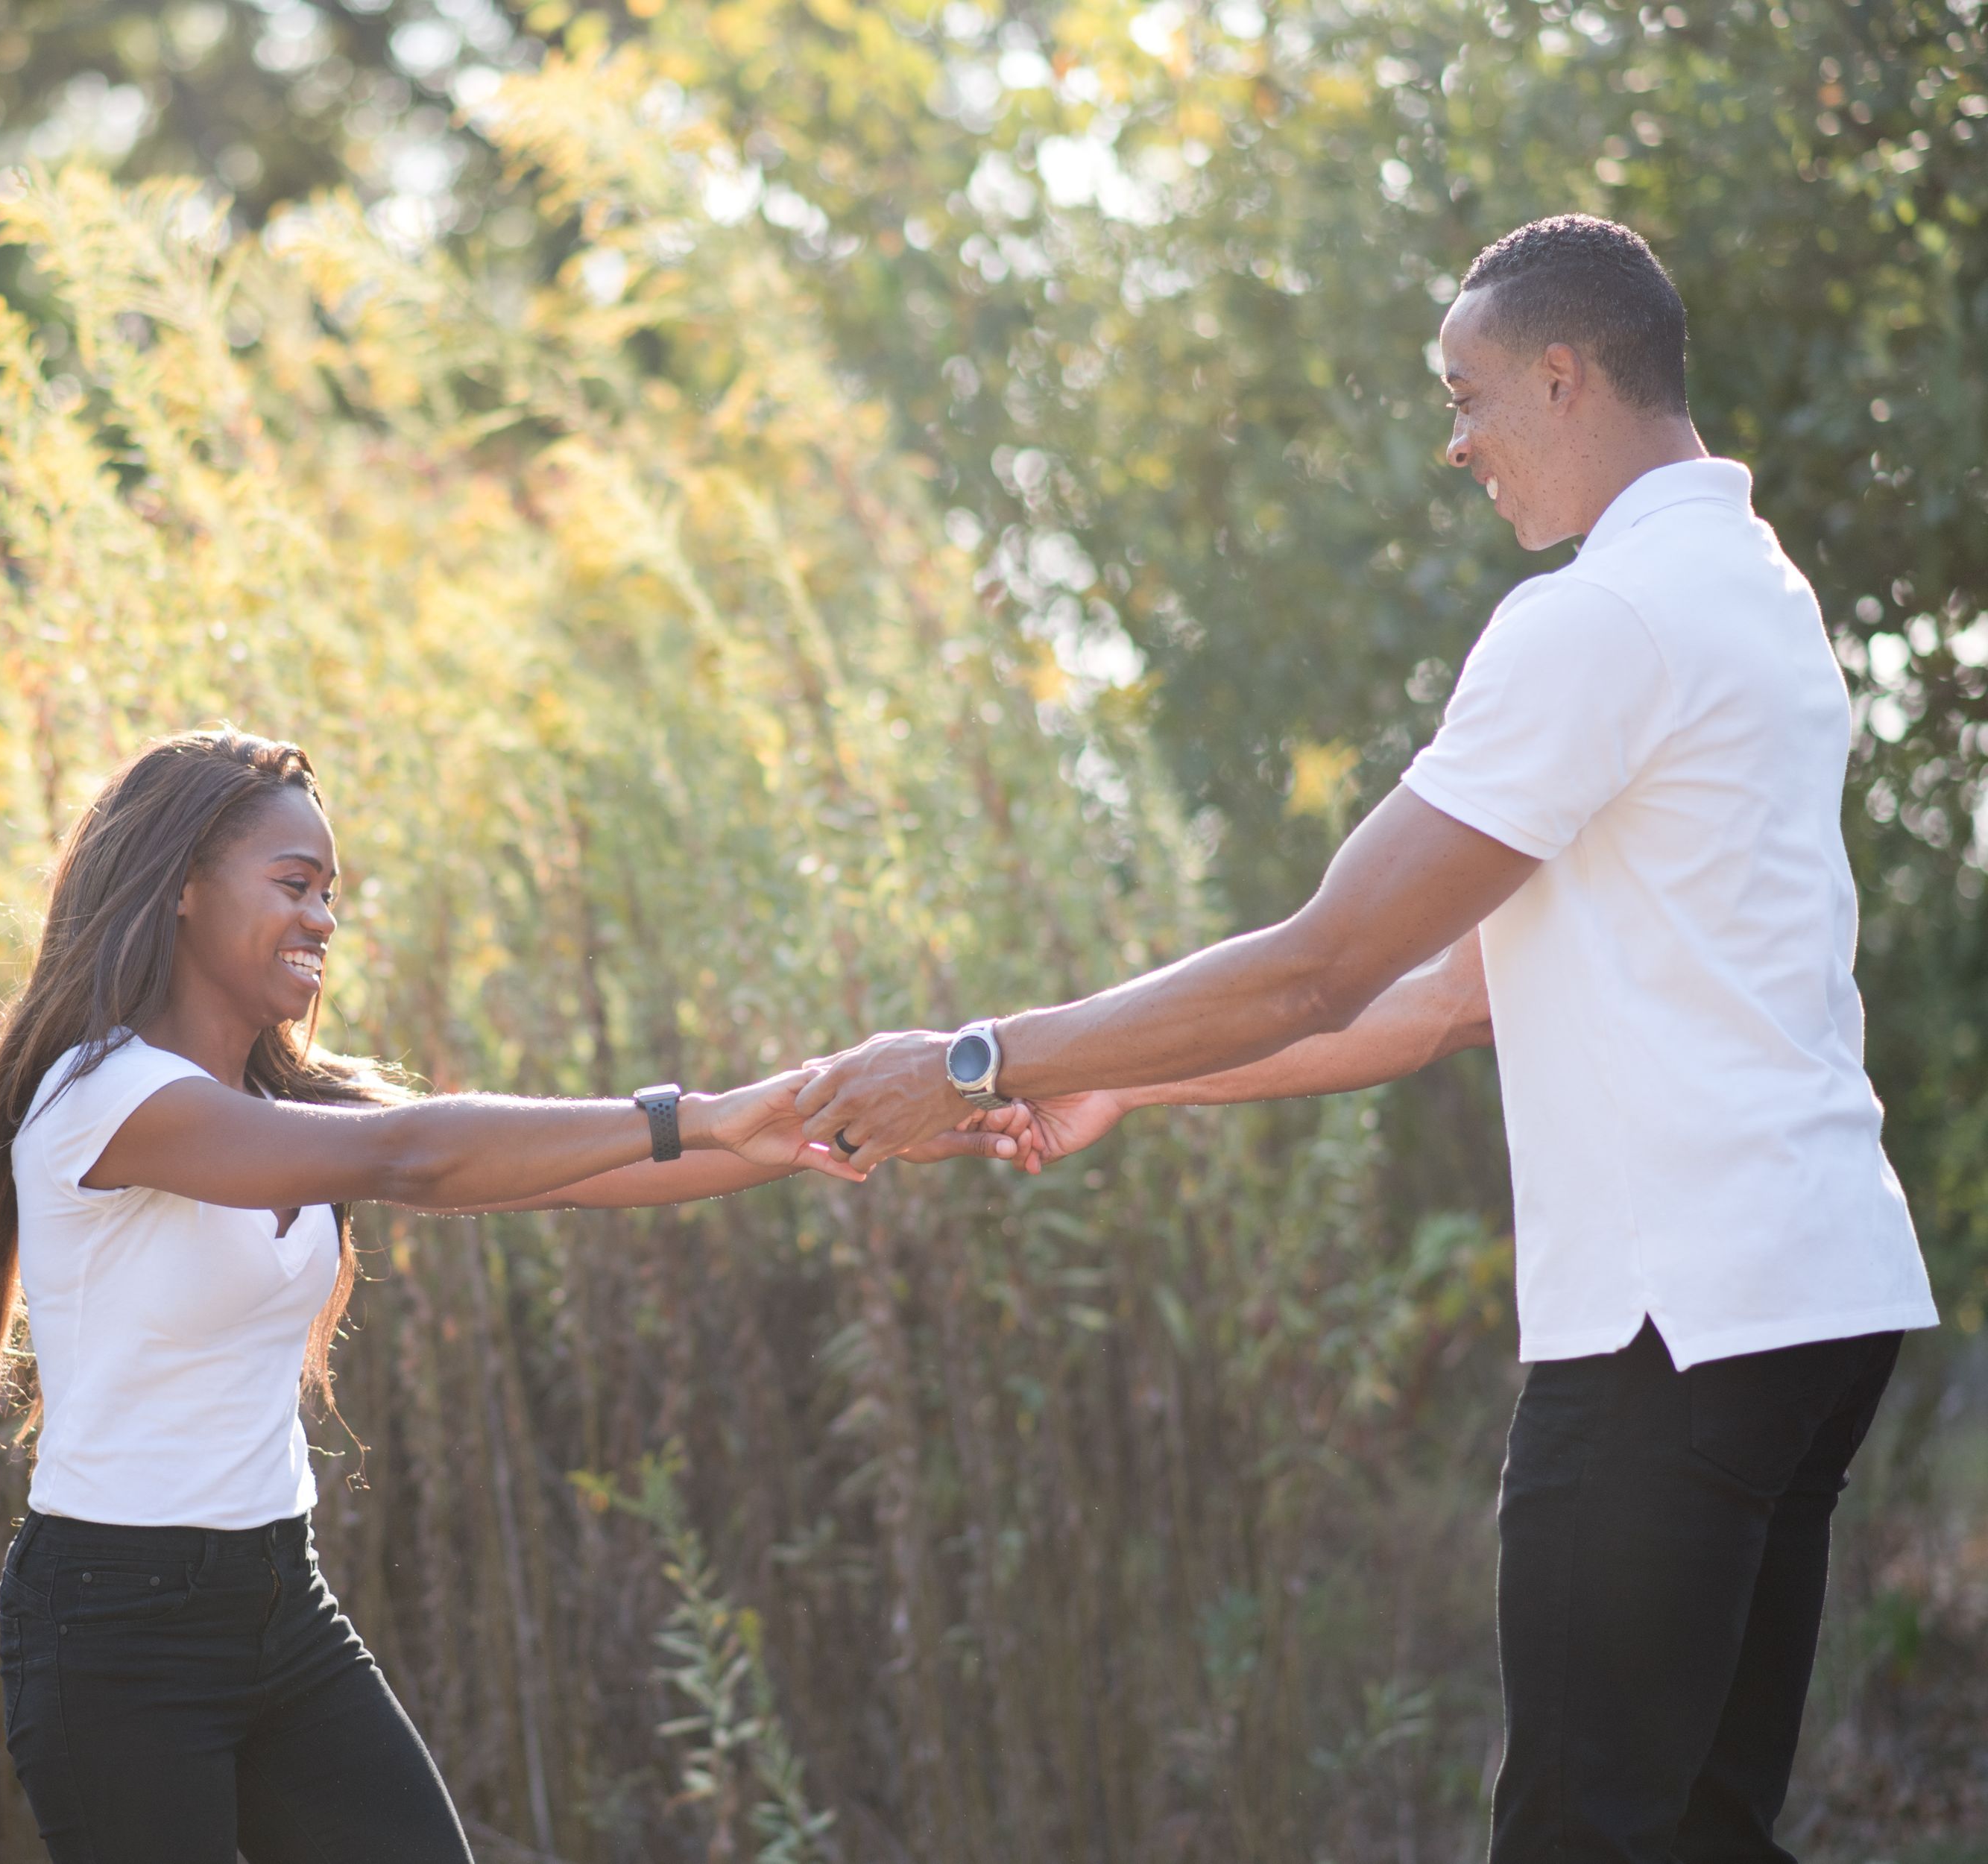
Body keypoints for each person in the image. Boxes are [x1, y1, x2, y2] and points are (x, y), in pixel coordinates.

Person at [797, 215, 1937, 1860]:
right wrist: (1117, 1075)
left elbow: (1322, 964)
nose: (1455, 443)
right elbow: (1448, 997)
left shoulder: (1599, 620)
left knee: (1583, 1836)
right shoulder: (1751, 591)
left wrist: (980, 1058)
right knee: (1693, 1830)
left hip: (1671, 1324)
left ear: (1563, 375)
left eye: (1468, 396)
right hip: (1807, 1304)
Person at [0, 729, 1009, 1864]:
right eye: (294, 884)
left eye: (331, 894)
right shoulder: (102, 1100)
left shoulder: (285, 1107)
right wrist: (698, 1113)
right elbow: (414, 1156)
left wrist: (816, 1129)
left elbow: (576, 1173)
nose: (323, 919)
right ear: (182, 885)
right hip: (116, 1626)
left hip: (279, 1599)